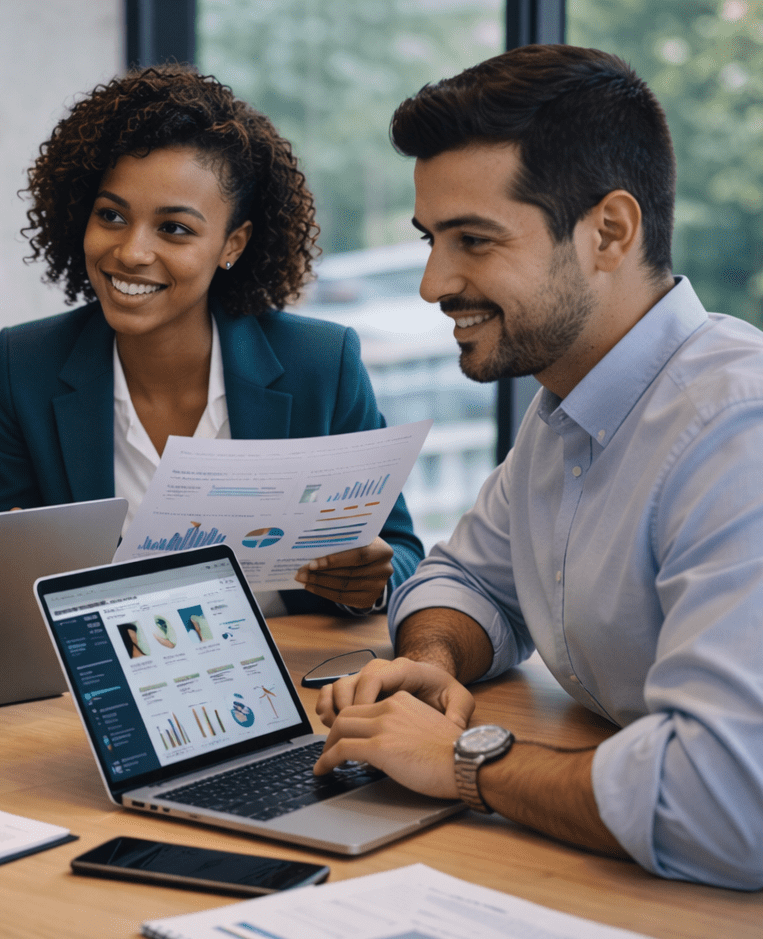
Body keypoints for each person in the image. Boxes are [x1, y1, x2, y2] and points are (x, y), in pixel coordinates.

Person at [313, 45, 763, 891]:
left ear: (609, 232)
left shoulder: (737, 430)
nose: (432, 282)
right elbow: (469, 581)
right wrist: (435, 660)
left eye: (473, 241)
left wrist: (466, 761)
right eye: (430, 240)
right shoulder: (569, 404)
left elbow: (727, 804)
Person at [0, 65, 424, 616]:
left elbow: (401, 554)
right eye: (111, 215)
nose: (132, 252)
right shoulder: (29, 365)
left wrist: (370, 577)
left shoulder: (321, 364)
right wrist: (7, 565)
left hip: (289, 672)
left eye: (174, 229)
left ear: (232, 243)